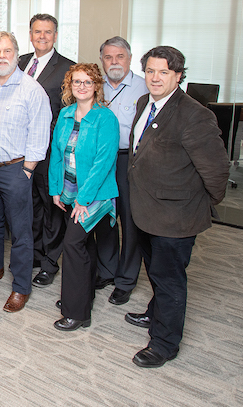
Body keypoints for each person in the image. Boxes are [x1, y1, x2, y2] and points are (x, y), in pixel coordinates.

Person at [126, 46, 229, 368]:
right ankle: (155, 314)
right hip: (146, 209)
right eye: (151, 71)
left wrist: (200, 204)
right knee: (155, 271)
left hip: (176, 216)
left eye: (164, 73)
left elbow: (216, 171)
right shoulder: (146, 103)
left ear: (178, 76)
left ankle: (164, 343)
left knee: (170, 281)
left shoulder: (195, 114)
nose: (155, 78)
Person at [49, 63, 119, 331]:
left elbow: (103, 163)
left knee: (73, 245)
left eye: (87, 82)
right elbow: (57, 154)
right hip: (69, 189)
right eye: (76, 82)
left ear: (96, 86)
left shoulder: (105, 118)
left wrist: (82, 200)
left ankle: (76, 312)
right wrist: (56, 189)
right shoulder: (66, 114)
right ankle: (83, 293)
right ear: (69, 86)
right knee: (86, 245)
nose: (81, 87)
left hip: (95, 195)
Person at [0, 31, 51, 313]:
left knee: (21, 232)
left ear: (17, 54)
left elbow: (39, 135)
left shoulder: (31, 89)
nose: (2, 56)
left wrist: (27, 170)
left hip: (16, 170)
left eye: (7, 51)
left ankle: (21, 286)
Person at [17, 14, 75, 290]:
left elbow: (69, 111)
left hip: (50, 150)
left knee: (53, 207)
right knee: (31, 207)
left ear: (55, 35)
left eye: (48, 32)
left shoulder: (67, 68)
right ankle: (34, 255)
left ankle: (50, 263)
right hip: (21, 149)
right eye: (37, 32)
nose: (42, 36)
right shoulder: (20, 62)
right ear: (30, 34)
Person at [96, 36, 148, 305]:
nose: (114, 62)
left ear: (129, 58)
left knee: (129, 220)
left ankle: (125, 280)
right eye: (108, 57)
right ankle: (105, 270)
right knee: (104, 217)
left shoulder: (143, 87)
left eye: (120, 57)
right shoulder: (95, 86)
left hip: (130, 160)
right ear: (102, 60)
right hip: (101, 161)